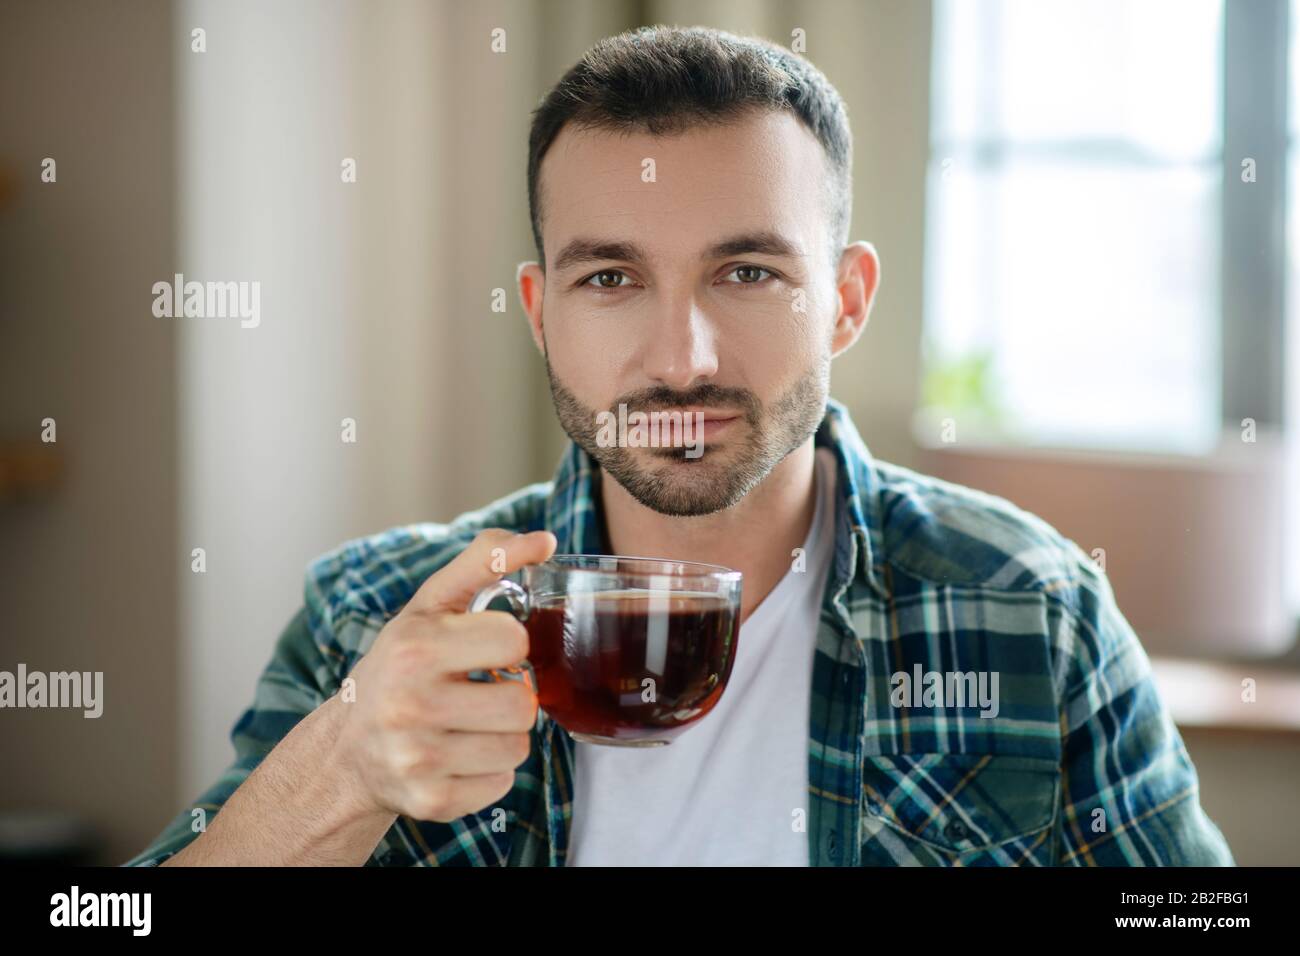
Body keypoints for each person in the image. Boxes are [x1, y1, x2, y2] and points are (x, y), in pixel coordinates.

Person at [126, 24, 1233, 867]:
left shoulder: (1031, 606)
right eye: (610, 278)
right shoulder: (373, 615)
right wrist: (344, 769)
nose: (681, 355)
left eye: (745, 272)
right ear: (540, 309)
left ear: (845, 302)